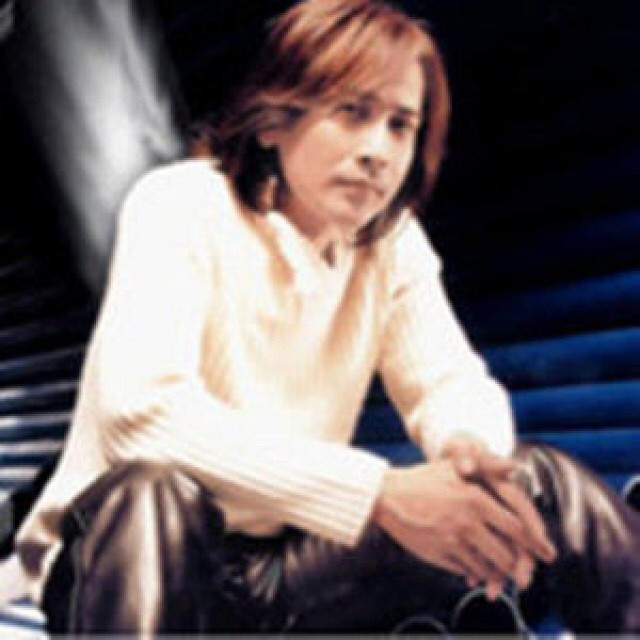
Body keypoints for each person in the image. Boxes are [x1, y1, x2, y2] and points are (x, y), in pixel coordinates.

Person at [13, 0, 640, 634]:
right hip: (127, 563)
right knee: (155, 494)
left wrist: (470, 455)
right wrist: (379, 494)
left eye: (400, 125)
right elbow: (143, 416)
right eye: (353, 113)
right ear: (272, 123)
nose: (378, 152)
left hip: (282, 571)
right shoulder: (178, 205)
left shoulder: (391, 245)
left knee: (537, 485)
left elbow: (446, 380)